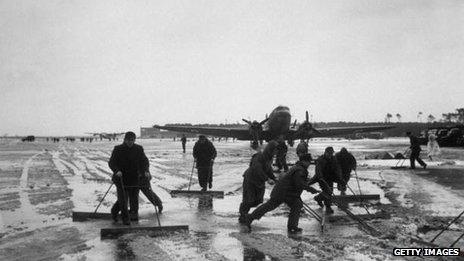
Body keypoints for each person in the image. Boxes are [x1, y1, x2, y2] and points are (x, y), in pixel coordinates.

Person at [243, 154, 319, 232]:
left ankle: (292, 226)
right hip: (283, 192)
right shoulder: (300, 170)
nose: (310, 164)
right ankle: (250, 218)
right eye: (309, 162)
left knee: (274, 206)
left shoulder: (298, 167)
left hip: (284, 191)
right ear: (304, 161)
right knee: (272, 206)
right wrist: (311, 189)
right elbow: (299, 183)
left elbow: (297, 183)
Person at [109, 131, 149, 225]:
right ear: (125, 140)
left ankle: (134, 215)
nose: (130, 142)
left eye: (132, 140)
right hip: (121, 178)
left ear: (134, 140)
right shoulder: (118, 149)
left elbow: (144, 161)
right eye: (128, 140)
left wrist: (146, 171)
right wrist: (116, 171)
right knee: (123, 200)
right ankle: (124, 217)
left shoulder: (138, 149)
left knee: (134, 198)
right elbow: (112, 162)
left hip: (134, 178)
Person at [239, 141, 278, 223]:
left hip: (259, 181)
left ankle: (244, 213)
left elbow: (268, 169)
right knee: (249, 199)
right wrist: (267, 179)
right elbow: (257, 169)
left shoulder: (269, 158)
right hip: (250, 179)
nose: (276, 152)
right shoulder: (259, 156)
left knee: (258, 200)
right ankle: (243, 215)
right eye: (275, 150)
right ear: (271, 149)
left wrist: (274, 178)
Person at [310, 146, 342, 214]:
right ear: (325, 152)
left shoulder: (333, 158)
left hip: (330, 177)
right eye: (329, 153)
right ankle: (328, 206)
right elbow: (318, 170)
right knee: (328, 191)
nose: (330, 155)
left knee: (329, 191)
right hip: (321, 178)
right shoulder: (320, 159)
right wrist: (320, 177)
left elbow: (337, 168)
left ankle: (318, 198)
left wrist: (339, 177)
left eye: (331, 153)